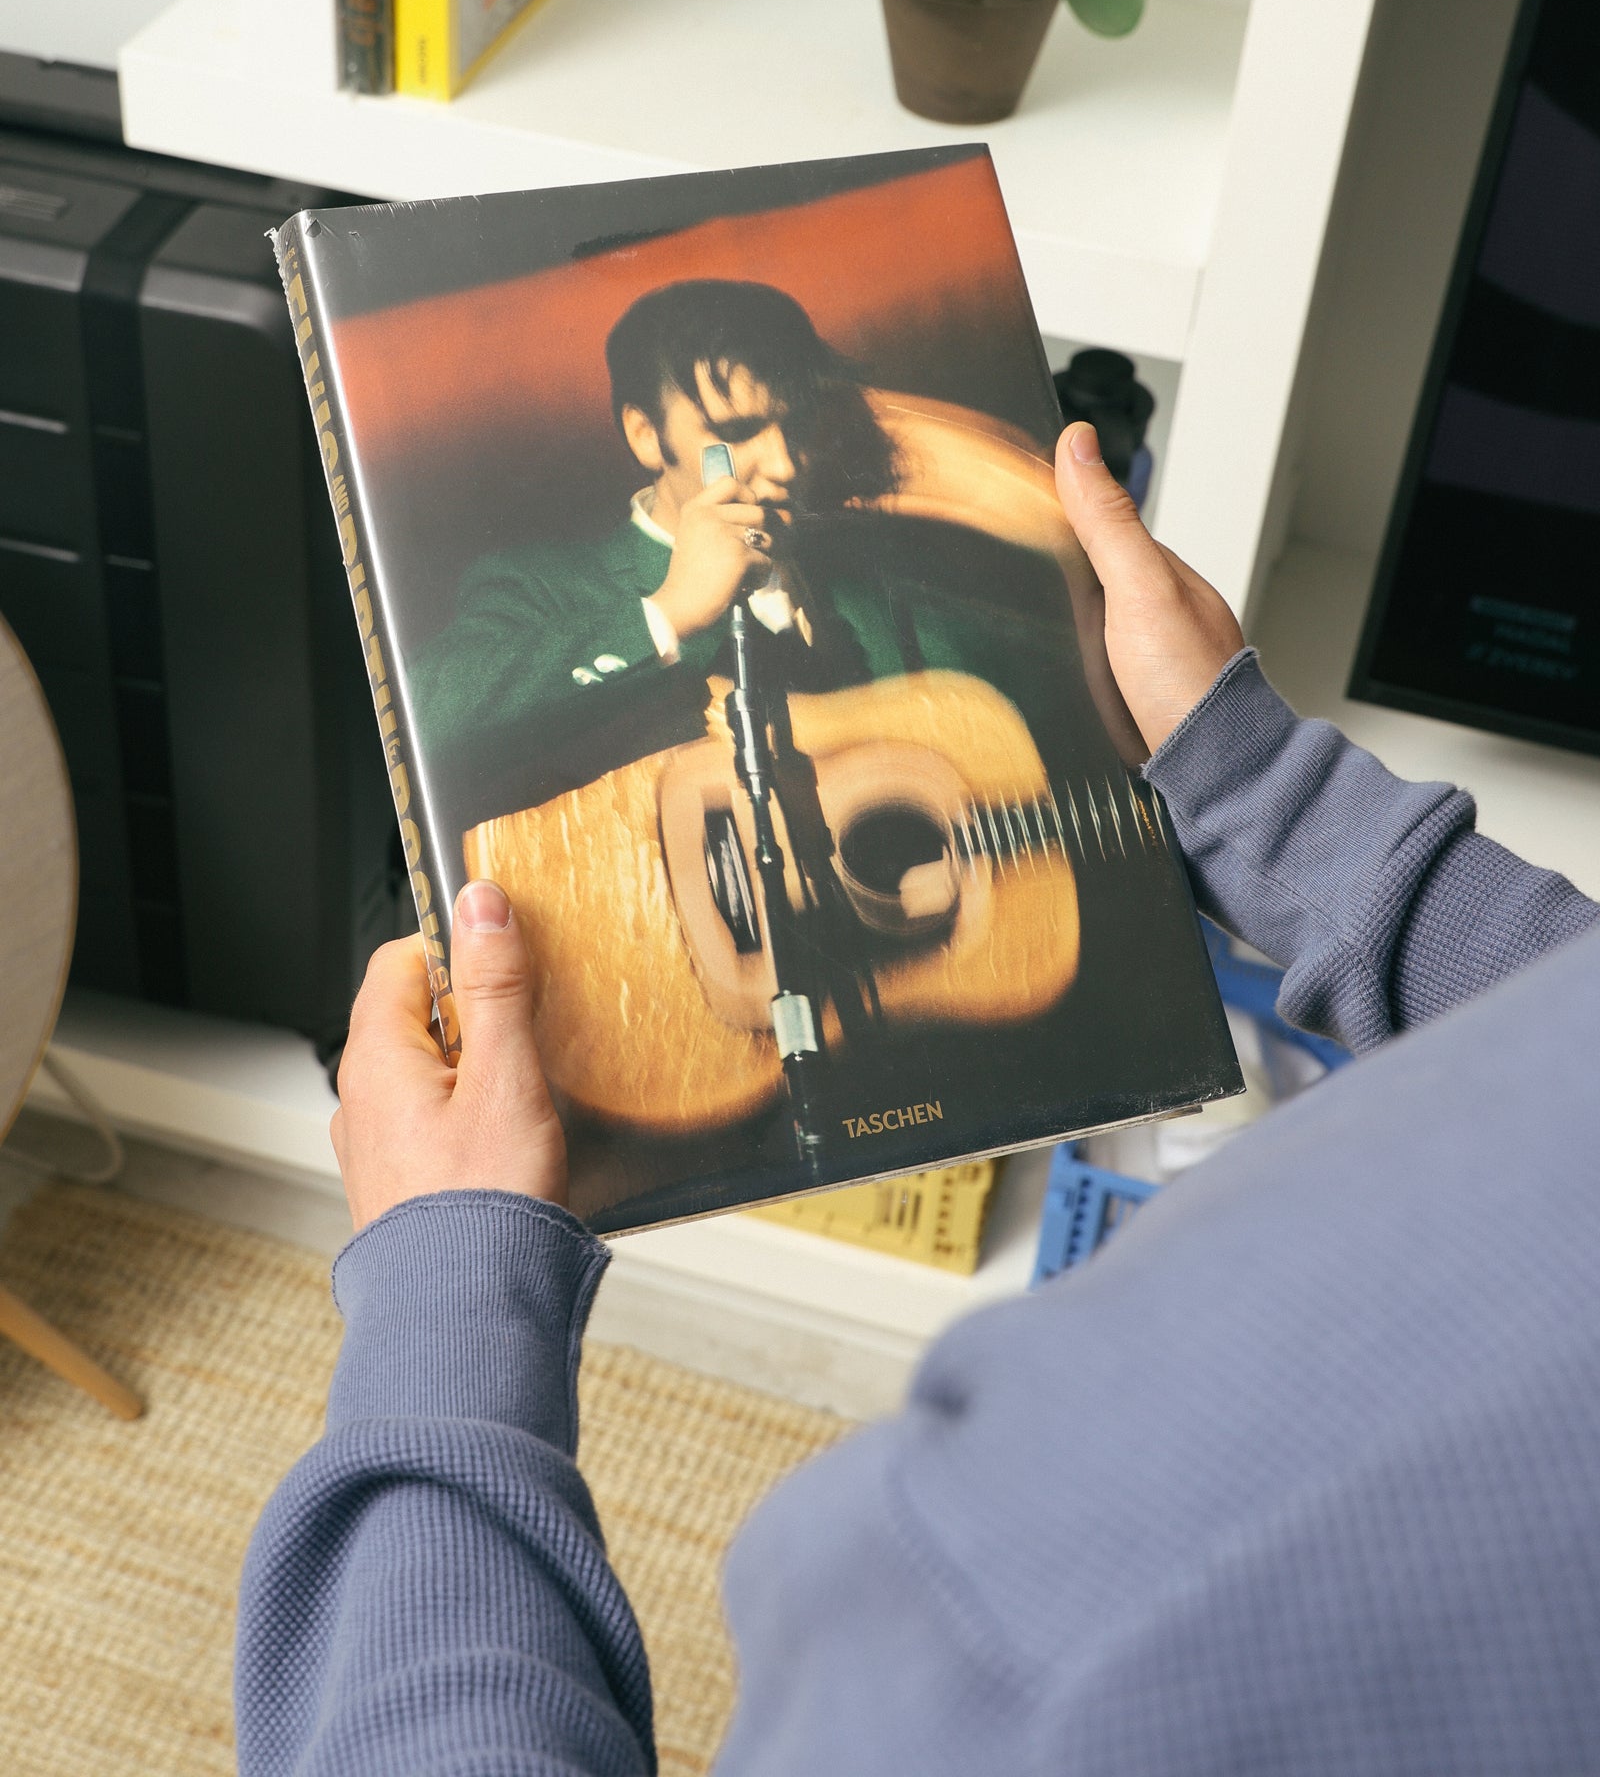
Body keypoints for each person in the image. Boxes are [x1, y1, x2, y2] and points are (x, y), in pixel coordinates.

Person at [235, 420, 1600, 1775]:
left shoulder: (1053, 1632)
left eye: (770, 425)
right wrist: (1255, 785)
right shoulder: (544, 580)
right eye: (718, 429)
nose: (757, 466)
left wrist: (443, 1285)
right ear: (645, 433)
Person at [407, 277, 1111, 792]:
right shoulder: (546, 585)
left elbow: (1082, 717)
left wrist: (1072, 561)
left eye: (795, 428)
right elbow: (423, 722)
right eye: (737, 432)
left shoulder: (871, 581)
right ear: (646, 435)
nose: (783, 466)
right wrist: (668, 613)